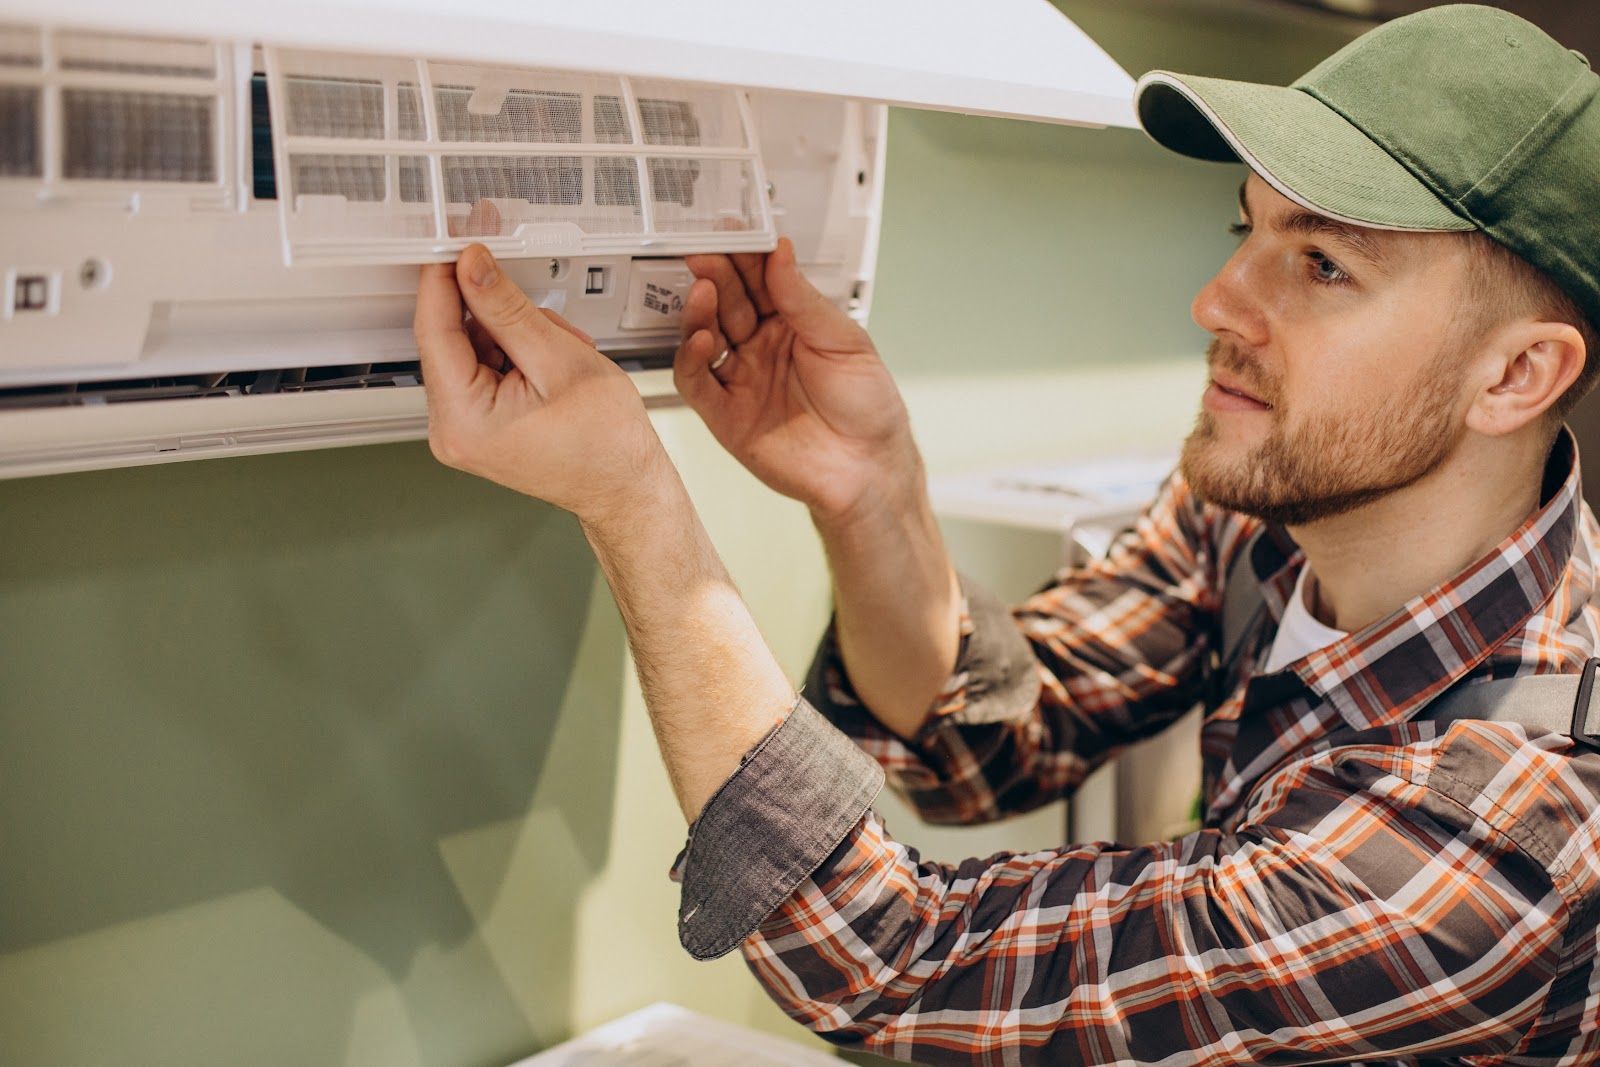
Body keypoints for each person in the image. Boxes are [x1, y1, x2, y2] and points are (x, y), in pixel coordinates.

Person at [411, 5, 1600, 1063]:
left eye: (1323, 264)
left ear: (1516, 375)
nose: (1219, 302)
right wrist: (872, 492)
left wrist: (634, 497)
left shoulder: (1499, 839)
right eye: (1245, 229)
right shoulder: (1267, 519)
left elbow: (893, 960)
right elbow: (992, 736)